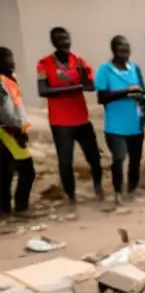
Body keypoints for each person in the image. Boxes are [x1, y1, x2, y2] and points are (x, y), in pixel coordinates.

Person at [38, 27, 103, 207]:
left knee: (94, 158)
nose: (64, 41)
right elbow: (43, 90)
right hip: (60, 121)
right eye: (59, 38)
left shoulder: (79, 61)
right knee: (65, 162)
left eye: (66, 37)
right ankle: (72, 199)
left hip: (81, 118)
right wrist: (74, 88)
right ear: (53, 41)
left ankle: (99, 189)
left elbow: (90, 87)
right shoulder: (44, 64)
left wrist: (83, 76)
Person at [95, 36, 145, 208]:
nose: (125, 53)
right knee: (118, 157)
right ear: (114, 50)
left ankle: (132, 189)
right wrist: (125, 92)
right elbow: (101, 98)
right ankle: (117, 192)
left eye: (127, 49)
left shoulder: (134, 68)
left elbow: (142, 89)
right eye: (121, 50)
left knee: (135, 158)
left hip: (135, 121)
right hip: (115, 124)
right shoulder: (105, 70)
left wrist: (141, 93)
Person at [0, 48, 35, 220]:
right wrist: (17, 131)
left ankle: (8, 209)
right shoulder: (1, 83)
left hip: (13, 131)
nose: (12, 62)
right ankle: (17, 208)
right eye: (7, 59)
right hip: (7, 132)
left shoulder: (9, 80)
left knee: (7, 172)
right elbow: (5, 111)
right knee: (25, 170)